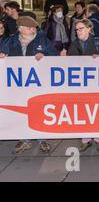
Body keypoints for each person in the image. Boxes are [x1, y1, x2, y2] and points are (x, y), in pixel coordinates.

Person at [0, 16, 56, 154]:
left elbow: (54, 55)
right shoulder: (11, 41)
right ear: (21, 29)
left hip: (38, 84)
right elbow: (3, 53)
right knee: (20, 111)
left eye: (33, 27)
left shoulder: (42, 39)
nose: (33, 29)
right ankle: (24, 139)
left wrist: (44, 55)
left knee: (38, 110)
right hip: (17, 85)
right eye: (29, 27)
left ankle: (42, 139)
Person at [63, 19, 99, 152]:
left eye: (81, 28)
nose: (78, 31)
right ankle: (85, 139)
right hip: (80, 85)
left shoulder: (97, 42)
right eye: (76, 29)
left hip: (96, 84)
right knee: (82, 111)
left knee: (96, 111)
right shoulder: (73, 44)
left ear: (89, 29)